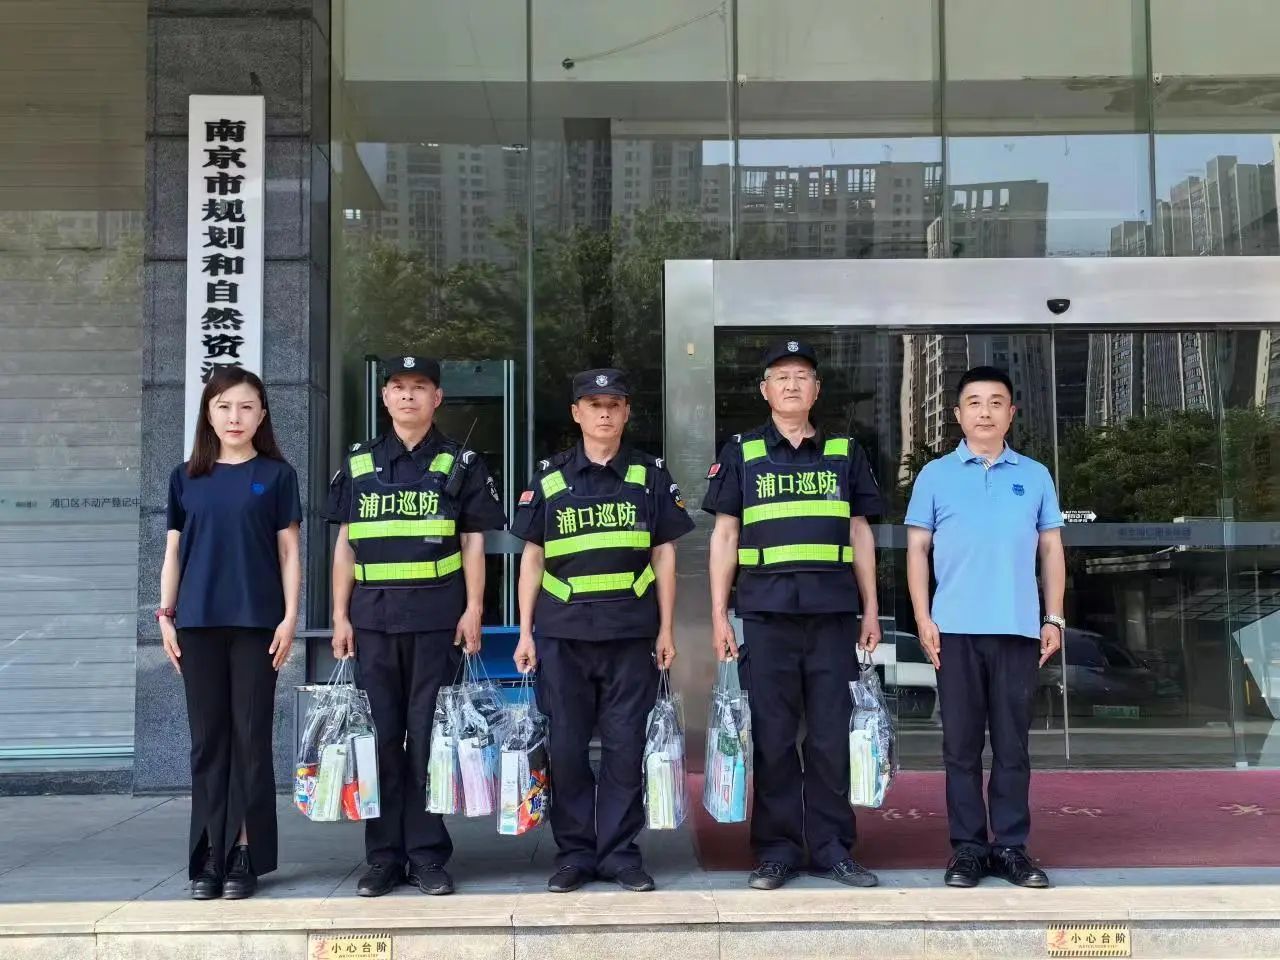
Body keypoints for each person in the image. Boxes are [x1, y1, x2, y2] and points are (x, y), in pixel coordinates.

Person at [703, 339, 883, 891]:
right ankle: (777, 849)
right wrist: (719, 614)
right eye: (781, 377)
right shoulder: (742, 452)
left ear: (816, 390)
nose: (791, 385)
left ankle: (832, 847)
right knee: (774, 739)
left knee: (830, 738)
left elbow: (860, 533)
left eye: (802, 376)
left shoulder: (845, 452)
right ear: (765, 390)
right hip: (767, 617)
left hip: (832, 616)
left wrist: (871, 608)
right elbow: (725, 535)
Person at [324, 356, 506, 897]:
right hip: (372, 623)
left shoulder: (460, 462)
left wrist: (474, 608)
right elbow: (345, 545)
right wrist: (339, 614)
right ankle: (382, 857)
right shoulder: (359, 462)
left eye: (420, 387)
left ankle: (427, 855)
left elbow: (473, 541)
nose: (408, 396)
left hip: (436, 622)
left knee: (430, 740)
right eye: (399, 387)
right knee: (379, 740)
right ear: (385, 397)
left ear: (437, 398)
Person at [511, 368, 694, 894]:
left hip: (630, 635)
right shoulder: (549, 477)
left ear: (627, 412)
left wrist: (666, 629)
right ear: (577, 413)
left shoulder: (649, 475)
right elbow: (532, 559)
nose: (605, 413)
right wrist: (525, 632)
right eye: (595, 405)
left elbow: (664, 555)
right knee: (567, 750)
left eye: (615, 404)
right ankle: (574, 854)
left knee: (624, 749)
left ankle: (619, 854)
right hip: (562, 636)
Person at [904, 365, 1065, 889]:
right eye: (974, 402)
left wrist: (1054, 616)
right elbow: (917, 550)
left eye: (996, 402)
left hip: (1017, 629)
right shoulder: (935, 476)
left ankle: (1012, 847)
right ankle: (969, 849)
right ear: (957, 414)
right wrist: (923, 618)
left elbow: (1051, 549)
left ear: (1011, 413)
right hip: (954, 630)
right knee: (961, 746)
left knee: (1013, 746)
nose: (985, 412)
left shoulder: (1035, 475)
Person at [159, 367, 302, 901]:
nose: (234, 417)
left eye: (245, 406)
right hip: (196, 623)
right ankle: (209, 855)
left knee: (250, 737)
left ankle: (244, 850)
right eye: (223, 406)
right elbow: (174, 551)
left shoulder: (277, 476)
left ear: (262, 415)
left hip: (257, 623)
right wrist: (165, 614)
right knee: (207, 741)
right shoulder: (185, 477)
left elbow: (289, 552)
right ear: (208, 414)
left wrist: (290, 617)